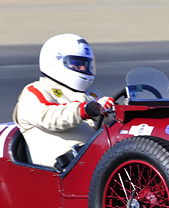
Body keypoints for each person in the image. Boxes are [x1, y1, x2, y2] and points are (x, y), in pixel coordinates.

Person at [13, 33, 114, 167]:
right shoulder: (36, 90)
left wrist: (112, 111)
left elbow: (106, 124)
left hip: (98, 160)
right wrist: (83, 110)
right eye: (77, 64)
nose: (83, 68)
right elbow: (48, 117)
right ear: (55, 62)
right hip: (65, 169)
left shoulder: (91, 92)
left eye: (86, 64)